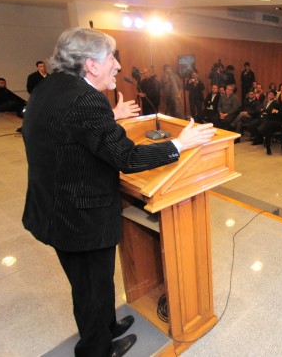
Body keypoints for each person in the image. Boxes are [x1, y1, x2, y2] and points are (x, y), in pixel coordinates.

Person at [21, 27, 216, 357]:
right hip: (77, 215)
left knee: (96, 281)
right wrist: (180, 144)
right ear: (92, 65)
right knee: (89, 287)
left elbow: (66, 128)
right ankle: (96, 349)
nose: (118, 66)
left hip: (54, 205)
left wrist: (111, 116)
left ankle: (107, 326)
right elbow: (126, 157)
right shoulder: (86, 100)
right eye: (112, 57)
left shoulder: (54, 86)